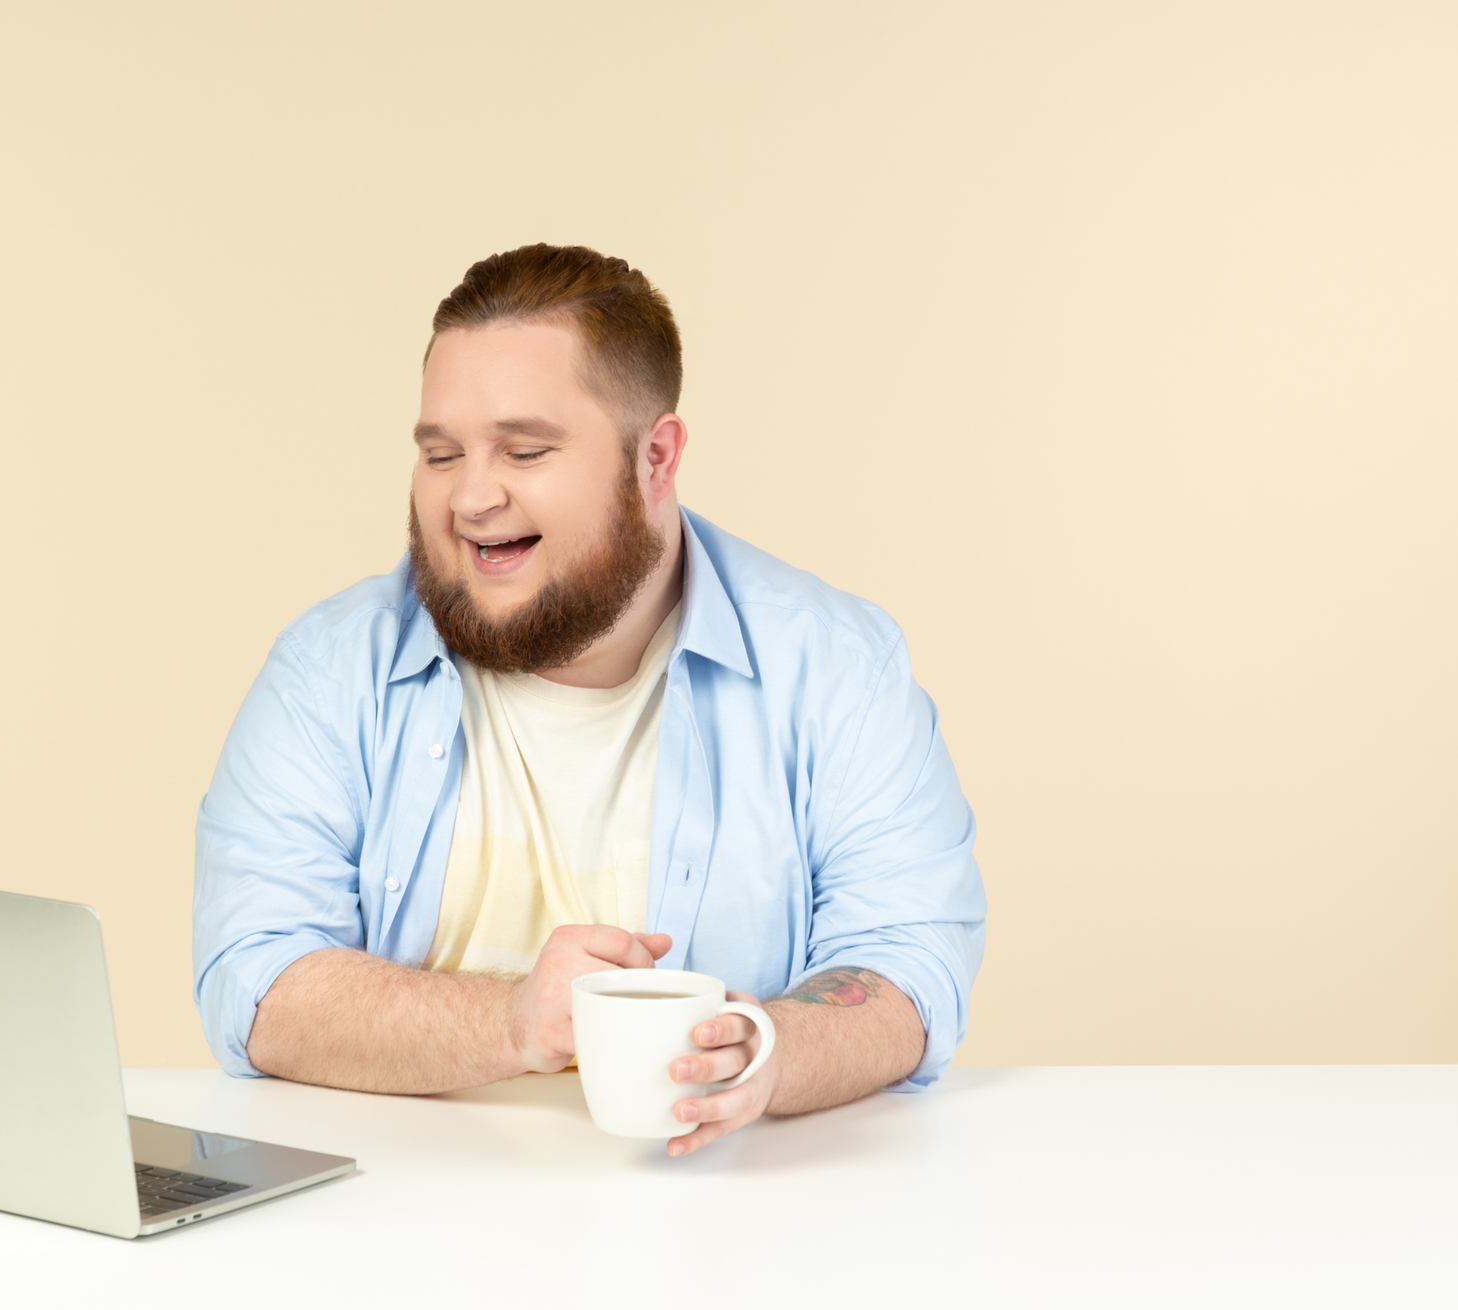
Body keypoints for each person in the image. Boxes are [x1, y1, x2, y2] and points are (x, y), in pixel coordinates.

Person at [193, 244, 985, 1156]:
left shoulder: (837, 666)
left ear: (656, 456)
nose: (472, 498)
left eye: (524, 450)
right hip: (388, 1233)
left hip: (735, 1234)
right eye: (441, 454)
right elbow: (254, 980)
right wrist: (509, 1021)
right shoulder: (327, 672)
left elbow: (911, 962)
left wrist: (768, 1050)